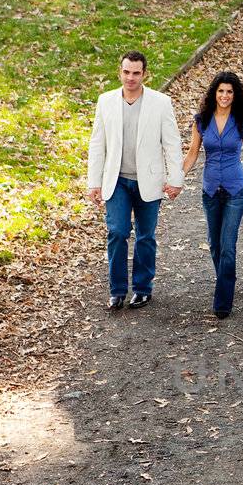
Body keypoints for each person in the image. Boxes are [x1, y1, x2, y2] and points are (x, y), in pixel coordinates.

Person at [86, 51, 184, 311]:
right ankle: (117, 291)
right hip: (117, 180)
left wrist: (176, 179)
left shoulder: (160, 103)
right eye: (126, 72)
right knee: (117, 232)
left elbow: (172, 143)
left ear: (145, 74)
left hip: (148, 180)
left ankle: (142, 289)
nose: (131, 77)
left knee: (145, 236)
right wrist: (93, 182)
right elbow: (98, 144)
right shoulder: (106, 101)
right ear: (120, 72)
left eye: (136, 73)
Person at [183, 70, 243, 319]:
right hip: (210, 190)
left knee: (228, 246)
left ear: (235, 95)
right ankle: (226, 278)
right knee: (215, 244)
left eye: (229, 92)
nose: (224, 95)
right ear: (214, 93)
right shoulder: (202, 120)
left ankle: (222, 303)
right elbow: (192, 153)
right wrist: (176, 180)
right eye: (221, 91)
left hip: (235, 190)